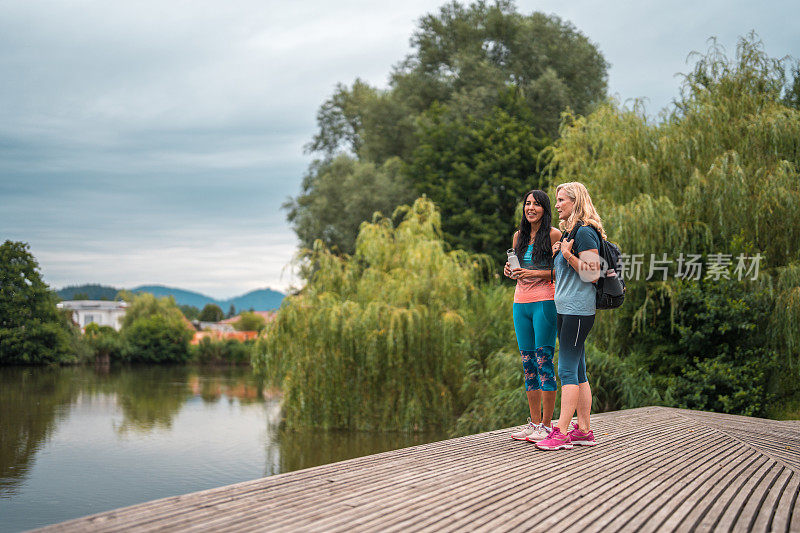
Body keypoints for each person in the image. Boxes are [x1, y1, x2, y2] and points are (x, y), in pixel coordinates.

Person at [535, 182, 604, 450]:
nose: (558, 204)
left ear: (576, 202)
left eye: (562, 199)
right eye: (557, 199)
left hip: (577, 311)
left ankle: (561, 432)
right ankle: (584, 430)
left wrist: (567, 255)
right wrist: (560, 255)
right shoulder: (572, 232)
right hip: (567, 309)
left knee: (566, 370)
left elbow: (593, 272)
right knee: (578, 370)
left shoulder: (585, 232)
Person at [504, 190, 562, 443]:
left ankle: (548, 425)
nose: (531, 208)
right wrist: (510, 270)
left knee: (544, 362)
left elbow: (559, 272)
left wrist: (531, 273)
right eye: (527, 204)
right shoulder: (519, 236)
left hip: (545, 302)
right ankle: (534, 423)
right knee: (528, 363)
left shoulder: (554, 235)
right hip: (521, 304)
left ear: (544, 209)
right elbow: (519, 269)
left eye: (536, 205)